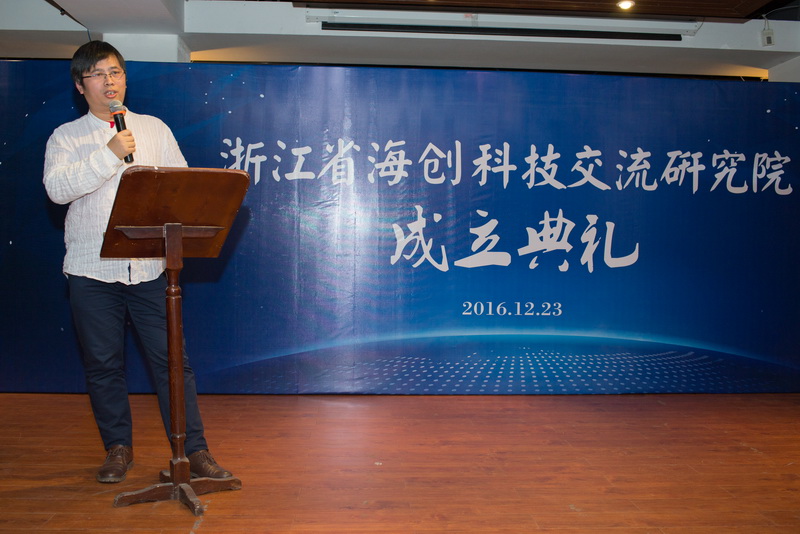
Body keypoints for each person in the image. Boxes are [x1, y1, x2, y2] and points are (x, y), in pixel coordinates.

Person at [43, 40, 232, 483]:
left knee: (173, 364)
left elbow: (181, 187)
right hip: (92, 269)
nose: (108, 81)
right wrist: (109, 153)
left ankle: (194, 451)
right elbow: (57, 190)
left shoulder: (153, 129)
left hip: (149, 268)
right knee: (103, 364)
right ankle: (117, 448)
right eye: (97, 74)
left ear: (125, 79)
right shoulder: (65, 137)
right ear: (80, 85)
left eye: (115, 72)